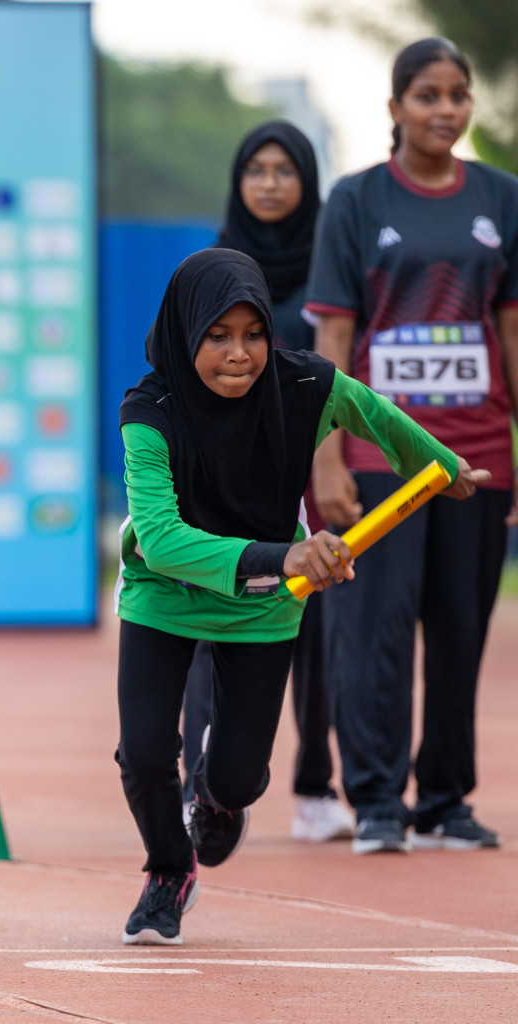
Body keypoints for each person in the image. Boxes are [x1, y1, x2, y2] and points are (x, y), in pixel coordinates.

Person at [115, 248, 486, 945]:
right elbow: (161, 541)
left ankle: (218, 798)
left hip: (265, 601)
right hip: (166, 593)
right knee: (141, 752)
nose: (239, 354)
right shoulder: (148, 410)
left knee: (238, 777)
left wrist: (444, 466)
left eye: (253, 334)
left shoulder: (307, 384)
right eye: (217, 336)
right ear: (185, 331)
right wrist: (285, 553)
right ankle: (169, 869)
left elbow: (374, 413)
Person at [306, 37, 518, 854]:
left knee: (461, 631)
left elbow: (510, 332)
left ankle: (444, 799)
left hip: (475, 458)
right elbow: (331, 336)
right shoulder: (357, 202)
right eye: (427, 95)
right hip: (379, 460)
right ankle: (378, 802)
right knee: (375, 632)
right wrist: (324, 459)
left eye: (458, 95)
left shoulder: (502, 199)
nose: (445, 110)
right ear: (394, 109)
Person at [179, 121, 357, 844]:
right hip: (222, 469)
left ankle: (315, 788)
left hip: (305, 469)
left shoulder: (331, 263)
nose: (271, 182)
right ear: (238, 180)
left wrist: (330, 461)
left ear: (307, 180)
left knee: (313, 631)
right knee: (199, 625)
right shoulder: (211, 262)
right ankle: (204, 787)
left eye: (286, 169)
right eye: (257, 168)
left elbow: (342, 371)